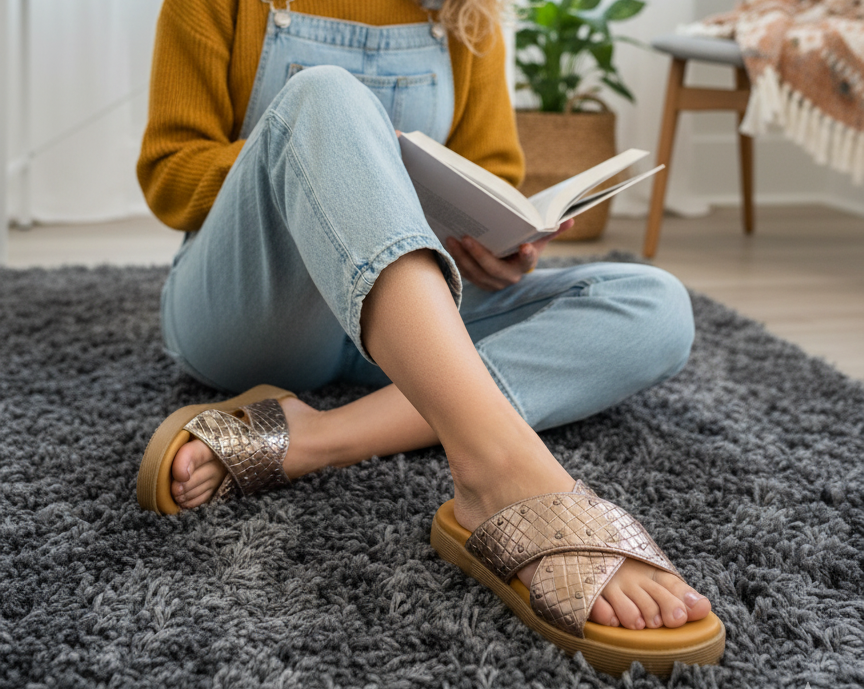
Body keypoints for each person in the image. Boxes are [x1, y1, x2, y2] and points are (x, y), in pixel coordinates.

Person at [135, 0, 723, 675]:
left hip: (404, 317)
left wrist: (494, 244)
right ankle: (499, 466)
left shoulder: (468, 12)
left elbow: (492, 172)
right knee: (325, 97)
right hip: (262, 311)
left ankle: (317, 438)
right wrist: (334, 164)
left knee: (656, 304)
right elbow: (170, 171)